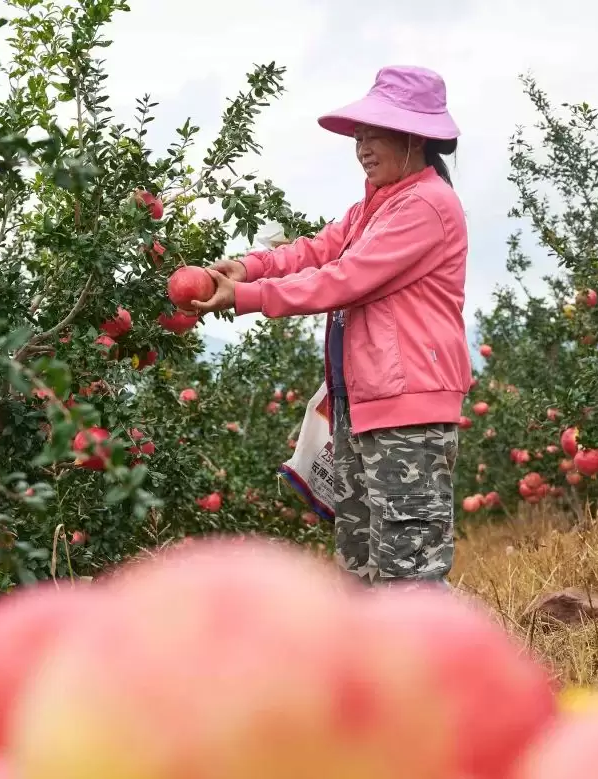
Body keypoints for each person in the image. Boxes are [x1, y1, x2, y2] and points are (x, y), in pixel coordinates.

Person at [191, 65, 470, 587]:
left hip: (406, 408)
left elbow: (345, 278)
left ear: (414, 137)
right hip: (359, 404)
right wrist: (248, 267)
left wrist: (248, 297)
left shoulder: (428, 206)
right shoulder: (373, 206)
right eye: (359, 136)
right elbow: (318, 249)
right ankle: (374, 668)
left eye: (374, 134)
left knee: (408, 570)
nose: (362, 147)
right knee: (359, 565)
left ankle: (435, 667)